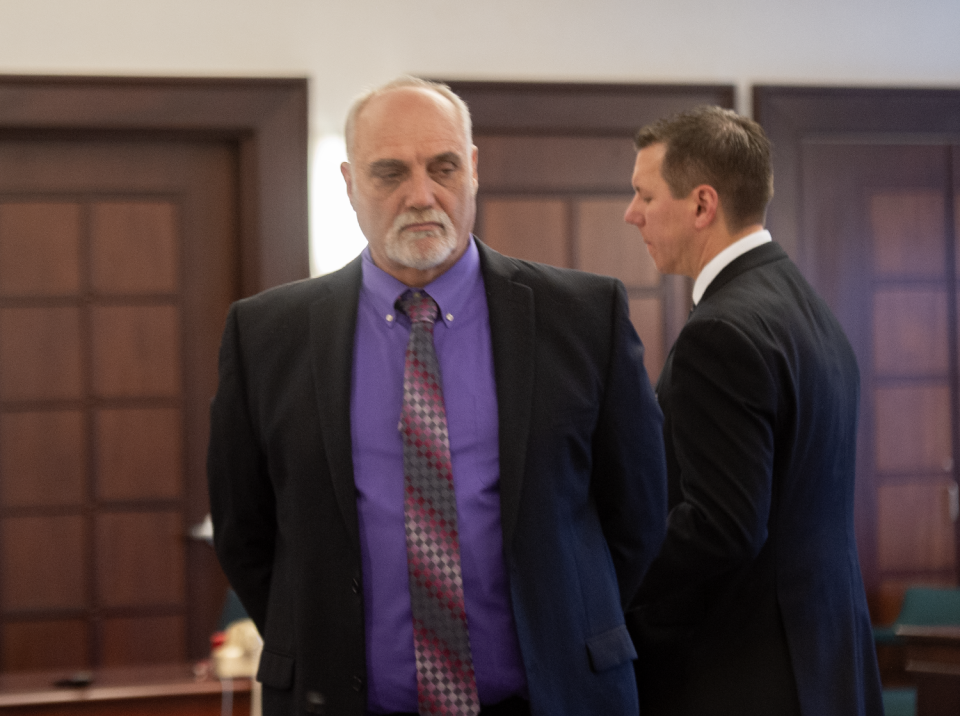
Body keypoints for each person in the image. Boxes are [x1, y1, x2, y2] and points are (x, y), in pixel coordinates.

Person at [207, 76, 667, 716]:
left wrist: (568, 623)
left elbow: (639, 516)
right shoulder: (267, 336)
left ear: (473, 169)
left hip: (552, 698)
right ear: (348, 184)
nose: (421, 195)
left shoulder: (585, 318)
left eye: (442, 167)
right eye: (390, 172)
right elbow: (245, 534)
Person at [622, 106, 883, 716]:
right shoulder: (806, 307)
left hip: (749, 675)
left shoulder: (722, 331)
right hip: (826, 658)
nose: (632, 213)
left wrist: (605, 566)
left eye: (644, 194)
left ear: (702, 205)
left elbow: (724, 526)